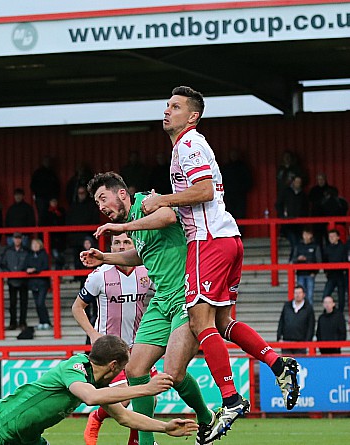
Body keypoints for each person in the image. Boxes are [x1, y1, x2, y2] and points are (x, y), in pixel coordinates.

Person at [140, 86, 301, 435]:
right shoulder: (187, 145)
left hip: (208, 241)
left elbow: (205, 190)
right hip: (228, 239)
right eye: (167, 105)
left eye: (176, 106)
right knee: (223, 321)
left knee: (200, 322)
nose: (167, 111)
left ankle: (230, 399)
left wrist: (162, 200)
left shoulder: (189, 143)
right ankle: (278, 363)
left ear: (192, 116)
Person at [81, 173, 215, 445]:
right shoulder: (134, 227)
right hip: (161, 299)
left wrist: (122, 228)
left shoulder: (145, 203)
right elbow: (140, 255)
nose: (101, 207)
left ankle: (206, 417)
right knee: (135, 369)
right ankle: (146, 442)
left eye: (103, 198)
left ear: (121, 194)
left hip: (185, 295)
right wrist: (104, 257)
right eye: (97, 203)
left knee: (174, 374)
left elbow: (167, 217)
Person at [0, 335, 198, 445]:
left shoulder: (97, 381)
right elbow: (90, 398)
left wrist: (164, 428)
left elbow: (124, 416)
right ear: (114, 366)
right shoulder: (75, 366)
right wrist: (144, 389)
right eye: (123, 368)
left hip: (23, 438)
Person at [73, 233, 152, 445]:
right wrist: (92, 334)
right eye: (117, 243)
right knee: (124, 397)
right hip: (109, 348)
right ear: (111, 246)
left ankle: (136, 440)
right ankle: (97, 418)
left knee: (147, 396)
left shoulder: (146, 271)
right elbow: (77, 307)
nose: (121, 246)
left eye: (126, 242)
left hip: (139, 344)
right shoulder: (100, 275)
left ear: (134, 245)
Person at [0, 233, 29, 330]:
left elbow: (30, 262)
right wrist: (8, 273)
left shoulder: (26, 251)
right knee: (12, 303)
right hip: (11, 280)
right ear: (12, 239)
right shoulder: (8, 251)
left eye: (19, 238)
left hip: (23, 280)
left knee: (23, 302)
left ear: (21, 239)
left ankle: (22, 322)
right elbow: (2, 264)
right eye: (16, 238)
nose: (17, 240)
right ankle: (13, 323)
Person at [277, 286, 315, 355]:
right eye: (296, 293)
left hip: (301, 342)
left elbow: (311, 325)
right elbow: (281, 321)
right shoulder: (287, 306)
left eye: (299, 293)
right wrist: (279, 336)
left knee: (298, 364)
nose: (297, 295)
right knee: (287, 363)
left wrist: (307, 340)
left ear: (303, 294)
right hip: (287, 341)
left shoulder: (308, 308)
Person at [291, 228, 321, 306]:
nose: (306, 236)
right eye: (304, 234)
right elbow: (292, 259)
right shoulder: (298, 246)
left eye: (307, 234)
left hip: (310, 273)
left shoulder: (315, 246)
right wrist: (298, 259)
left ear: (311, 235)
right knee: (300, 295)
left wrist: (315, 272)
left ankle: (309, 314)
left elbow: (318, 260)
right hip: (300, 273)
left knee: (309, 295)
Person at [25, 238, 51, 330]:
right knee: (37, 303)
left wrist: (35, 269)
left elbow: (45, 266)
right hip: (33, 283)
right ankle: (42, 321)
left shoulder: (44, 254)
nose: (35, 246)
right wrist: (28, 269)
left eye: (36, 244)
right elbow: (25, 265)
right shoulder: (29, 255)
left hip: (42, 283)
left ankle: (46, 321)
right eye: (33, 245)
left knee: (40, 302)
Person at [220, 150, 253, 221]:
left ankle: (240, 231)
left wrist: (241, 190)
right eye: (232, 155)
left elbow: (249, 181)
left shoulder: (243, 167)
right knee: (229, 215)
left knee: (240, 215)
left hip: (240, 196)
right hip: (228, 196)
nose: (234, 157)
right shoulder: (226, 168)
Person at [323, 229, 348, 313]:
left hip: (341, 274)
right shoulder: (327, 248)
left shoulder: (343, 247)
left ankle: (340, 313)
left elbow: (345, 259)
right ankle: (328, 311)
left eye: (333, 236)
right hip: (331, 275)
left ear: (338, 237)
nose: (331, 238)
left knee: (341, 296)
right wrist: (326, 271)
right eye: (330, 236)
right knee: (326, 294)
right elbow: (325, 260)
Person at [30, 156, 60, 226]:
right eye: (45, 161)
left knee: (52, 216)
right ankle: (41, 234)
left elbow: (57, 186)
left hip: (50, 199)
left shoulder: (52, 173)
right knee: (42, 216)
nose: (47, 163)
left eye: (48, 161)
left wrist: (54, 197)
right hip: (41, 199)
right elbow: (33, 185)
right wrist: (37, 195)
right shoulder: (38, 173)